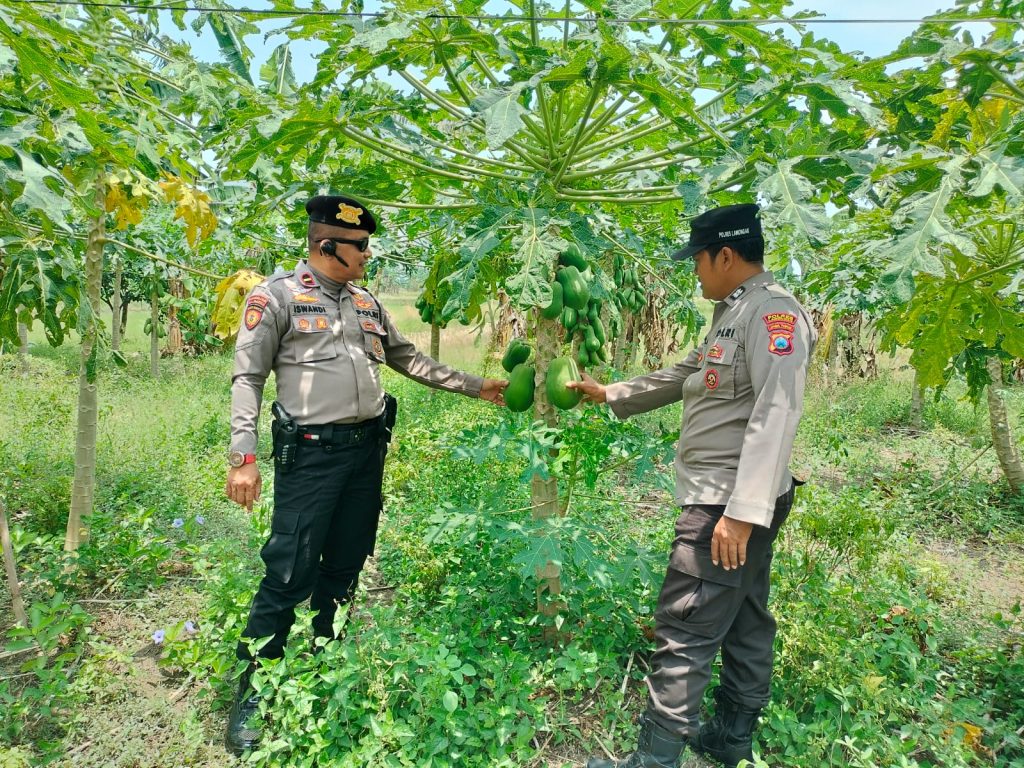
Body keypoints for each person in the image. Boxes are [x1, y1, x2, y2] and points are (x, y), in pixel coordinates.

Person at [223, 194, 507, 755]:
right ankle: (254, 685)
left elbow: (409, 360)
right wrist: (244, 458)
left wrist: (478, 386)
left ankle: (328, 652)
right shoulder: (276, 297)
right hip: (309, 454)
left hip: (365, 450)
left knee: (348, 556)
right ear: (328, 247)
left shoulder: (367, 302)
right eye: (361, 247)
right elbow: (248, 378)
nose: (368, 256)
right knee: (290, 566)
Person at [572, 203, 816, 768]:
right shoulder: (732, 313)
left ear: (725, 255)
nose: (696, 273)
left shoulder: (773, 315)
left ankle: (653, 761)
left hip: (724, 505)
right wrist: (614, 393)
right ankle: (729, 737)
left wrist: (741, 511)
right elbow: (688, 373)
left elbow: (777, 410)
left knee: (685, 625)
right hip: (734, 501)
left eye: (699, 261)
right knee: (747, 615)